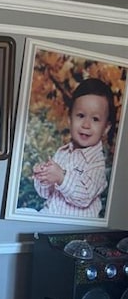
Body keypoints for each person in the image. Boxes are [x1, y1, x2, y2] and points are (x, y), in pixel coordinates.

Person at [32, 78, 114, 218]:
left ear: (106, 128)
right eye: (81, 116)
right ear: (70, 120)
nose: (86, 125)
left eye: (95, 119)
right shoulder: (62, 153)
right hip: (49, 217)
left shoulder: (97, 163)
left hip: (76, 229)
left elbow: (84, 196)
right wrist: (43, 177)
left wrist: (61, 177)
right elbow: (45, 194)